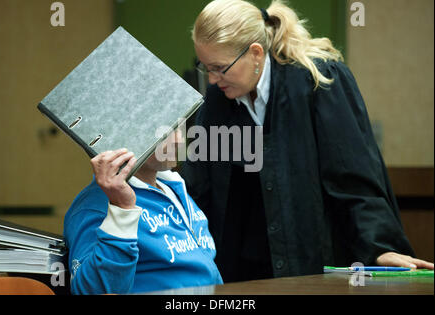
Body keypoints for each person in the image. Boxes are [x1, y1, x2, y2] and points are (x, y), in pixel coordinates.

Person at [179, 0, 434, 283]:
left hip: (313, 265)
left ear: (255, 53)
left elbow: (353, 177)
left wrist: (380, 247)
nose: (212, 80)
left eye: (220, 68)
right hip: (244, 273)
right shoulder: (219, 101)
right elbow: (199, 185)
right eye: (206, 68)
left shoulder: (318, 82)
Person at [64, 132, 223, 294]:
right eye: (163, 133)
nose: (178, 140)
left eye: (178, 128)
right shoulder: (95, 205)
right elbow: (91, 291)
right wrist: (122, 210)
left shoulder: (172, 187)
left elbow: (206, 269)